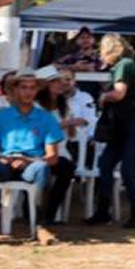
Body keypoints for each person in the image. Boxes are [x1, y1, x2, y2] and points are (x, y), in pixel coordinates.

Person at [0, 69, 64, 245]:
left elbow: (52, 156)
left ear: (37, 91)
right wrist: (1, 158)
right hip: (6, 162)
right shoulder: (2, 115)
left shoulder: (46, 118)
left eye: (32, 88)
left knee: (42, 169)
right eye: (23, 87)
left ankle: (40, 226)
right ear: (14, 90)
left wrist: (27, 161)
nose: (28, 92)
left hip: (32, 163)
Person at [85, 34, 135, 229]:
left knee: (127, 170)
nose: (101, 54)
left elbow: (119, 93)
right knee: (105, 163)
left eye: (102, 50)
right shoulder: (121, 66)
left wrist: (103, 97)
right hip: (123, 126)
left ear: (109, 49)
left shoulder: (125, 65)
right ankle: (102, 211)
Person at [34, 65, 80, 225]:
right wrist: (67, 123)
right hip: (38, 152)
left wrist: (72, 126)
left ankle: (50, 213)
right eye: (55, 81)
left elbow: (71, 136)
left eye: (60, 81)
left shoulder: (64, 105)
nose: (60, 84)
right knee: (43, 169)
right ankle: (35, 212)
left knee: (67, 168)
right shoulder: (36, 106)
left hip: (60, 152)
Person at [57, 26, 103, 99]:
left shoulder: (101, 57)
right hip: (72, 96)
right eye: (82, 37)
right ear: (77, 40)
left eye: (88, 37)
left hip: (94, 96)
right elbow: (53, 67)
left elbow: (107, 84)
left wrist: (93, 72)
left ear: (93, 40)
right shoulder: (70, 57)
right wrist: (73, 67)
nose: (85, 40)